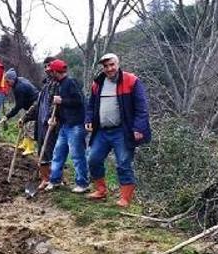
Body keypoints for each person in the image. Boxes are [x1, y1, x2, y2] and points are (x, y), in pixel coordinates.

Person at [85, 53, 151, 207]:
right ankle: (101, 190)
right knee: (93, 159)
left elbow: (142, 107)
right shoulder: (98, 83)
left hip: (122, 131)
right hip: (101, 131)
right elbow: (91, 105)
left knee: (123, 163)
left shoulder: (131, 81)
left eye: (112, 65)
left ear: (118, 64)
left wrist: (139, 127)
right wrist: (88, 119)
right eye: (106, 66)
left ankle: (125, 198)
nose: (109, 69)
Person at [46, 60, 89, 193]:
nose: (49, 74)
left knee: (77, 155)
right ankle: (55, 180)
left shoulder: (71, 82)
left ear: (55, 72)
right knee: (58, 153)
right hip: (64, 125)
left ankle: (82, 184)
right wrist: (54, 118)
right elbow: (61, 107)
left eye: (50, 71)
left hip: (76, 125)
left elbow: (79, 101)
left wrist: (62, 101)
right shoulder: (58, 84)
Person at [21, 58, 63, 190]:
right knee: (42, 151)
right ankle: (45, 179)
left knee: (53, 152)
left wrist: (52, 117)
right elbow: (37, 104)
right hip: (41, 123)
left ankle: (57, 178)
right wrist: (25, 117)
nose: (46, 69)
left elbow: (56, 105)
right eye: (45, 67)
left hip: (52, 124)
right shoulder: (46, 85)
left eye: (49, 66)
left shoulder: (59, 85)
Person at [4, 68, 38, 155]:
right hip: (29, 105)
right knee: (23, 123)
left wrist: (8, 116)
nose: (7, 83)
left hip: (35, 105)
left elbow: (19, 105)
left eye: (7, 81)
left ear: (12, 79)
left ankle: (30, 148)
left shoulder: (19, 87)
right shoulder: (18, 81)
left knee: (30, 124)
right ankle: (25, 144)